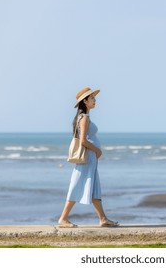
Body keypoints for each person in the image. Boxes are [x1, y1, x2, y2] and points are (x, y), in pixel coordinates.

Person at [58, 87, 119, 228]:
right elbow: (84, 140)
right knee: (77, 184)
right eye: (92, 98)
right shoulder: (84, 118)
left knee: (94, 186)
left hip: (90, 158)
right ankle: (63, 218)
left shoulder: (84, 117)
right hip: (88, 157)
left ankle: (103, 218)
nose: (95, 100)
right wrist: (97, 150)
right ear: (85, 101)